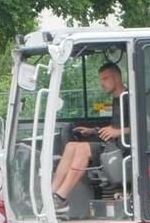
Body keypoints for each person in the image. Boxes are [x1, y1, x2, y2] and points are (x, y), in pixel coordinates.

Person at [53, 61, 127, 204]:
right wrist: (93, 131)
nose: (102, 83)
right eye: (100, 80)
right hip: (113, 145)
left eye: (105, 78)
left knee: (82, 149)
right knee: (70, 146)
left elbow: (148, 127)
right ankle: (51, 191)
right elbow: (116, 126)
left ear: (117, 78)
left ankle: (61, 197)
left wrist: (117, 132)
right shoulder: (117, 99)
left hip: (124, 149)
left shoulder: (129, 97)